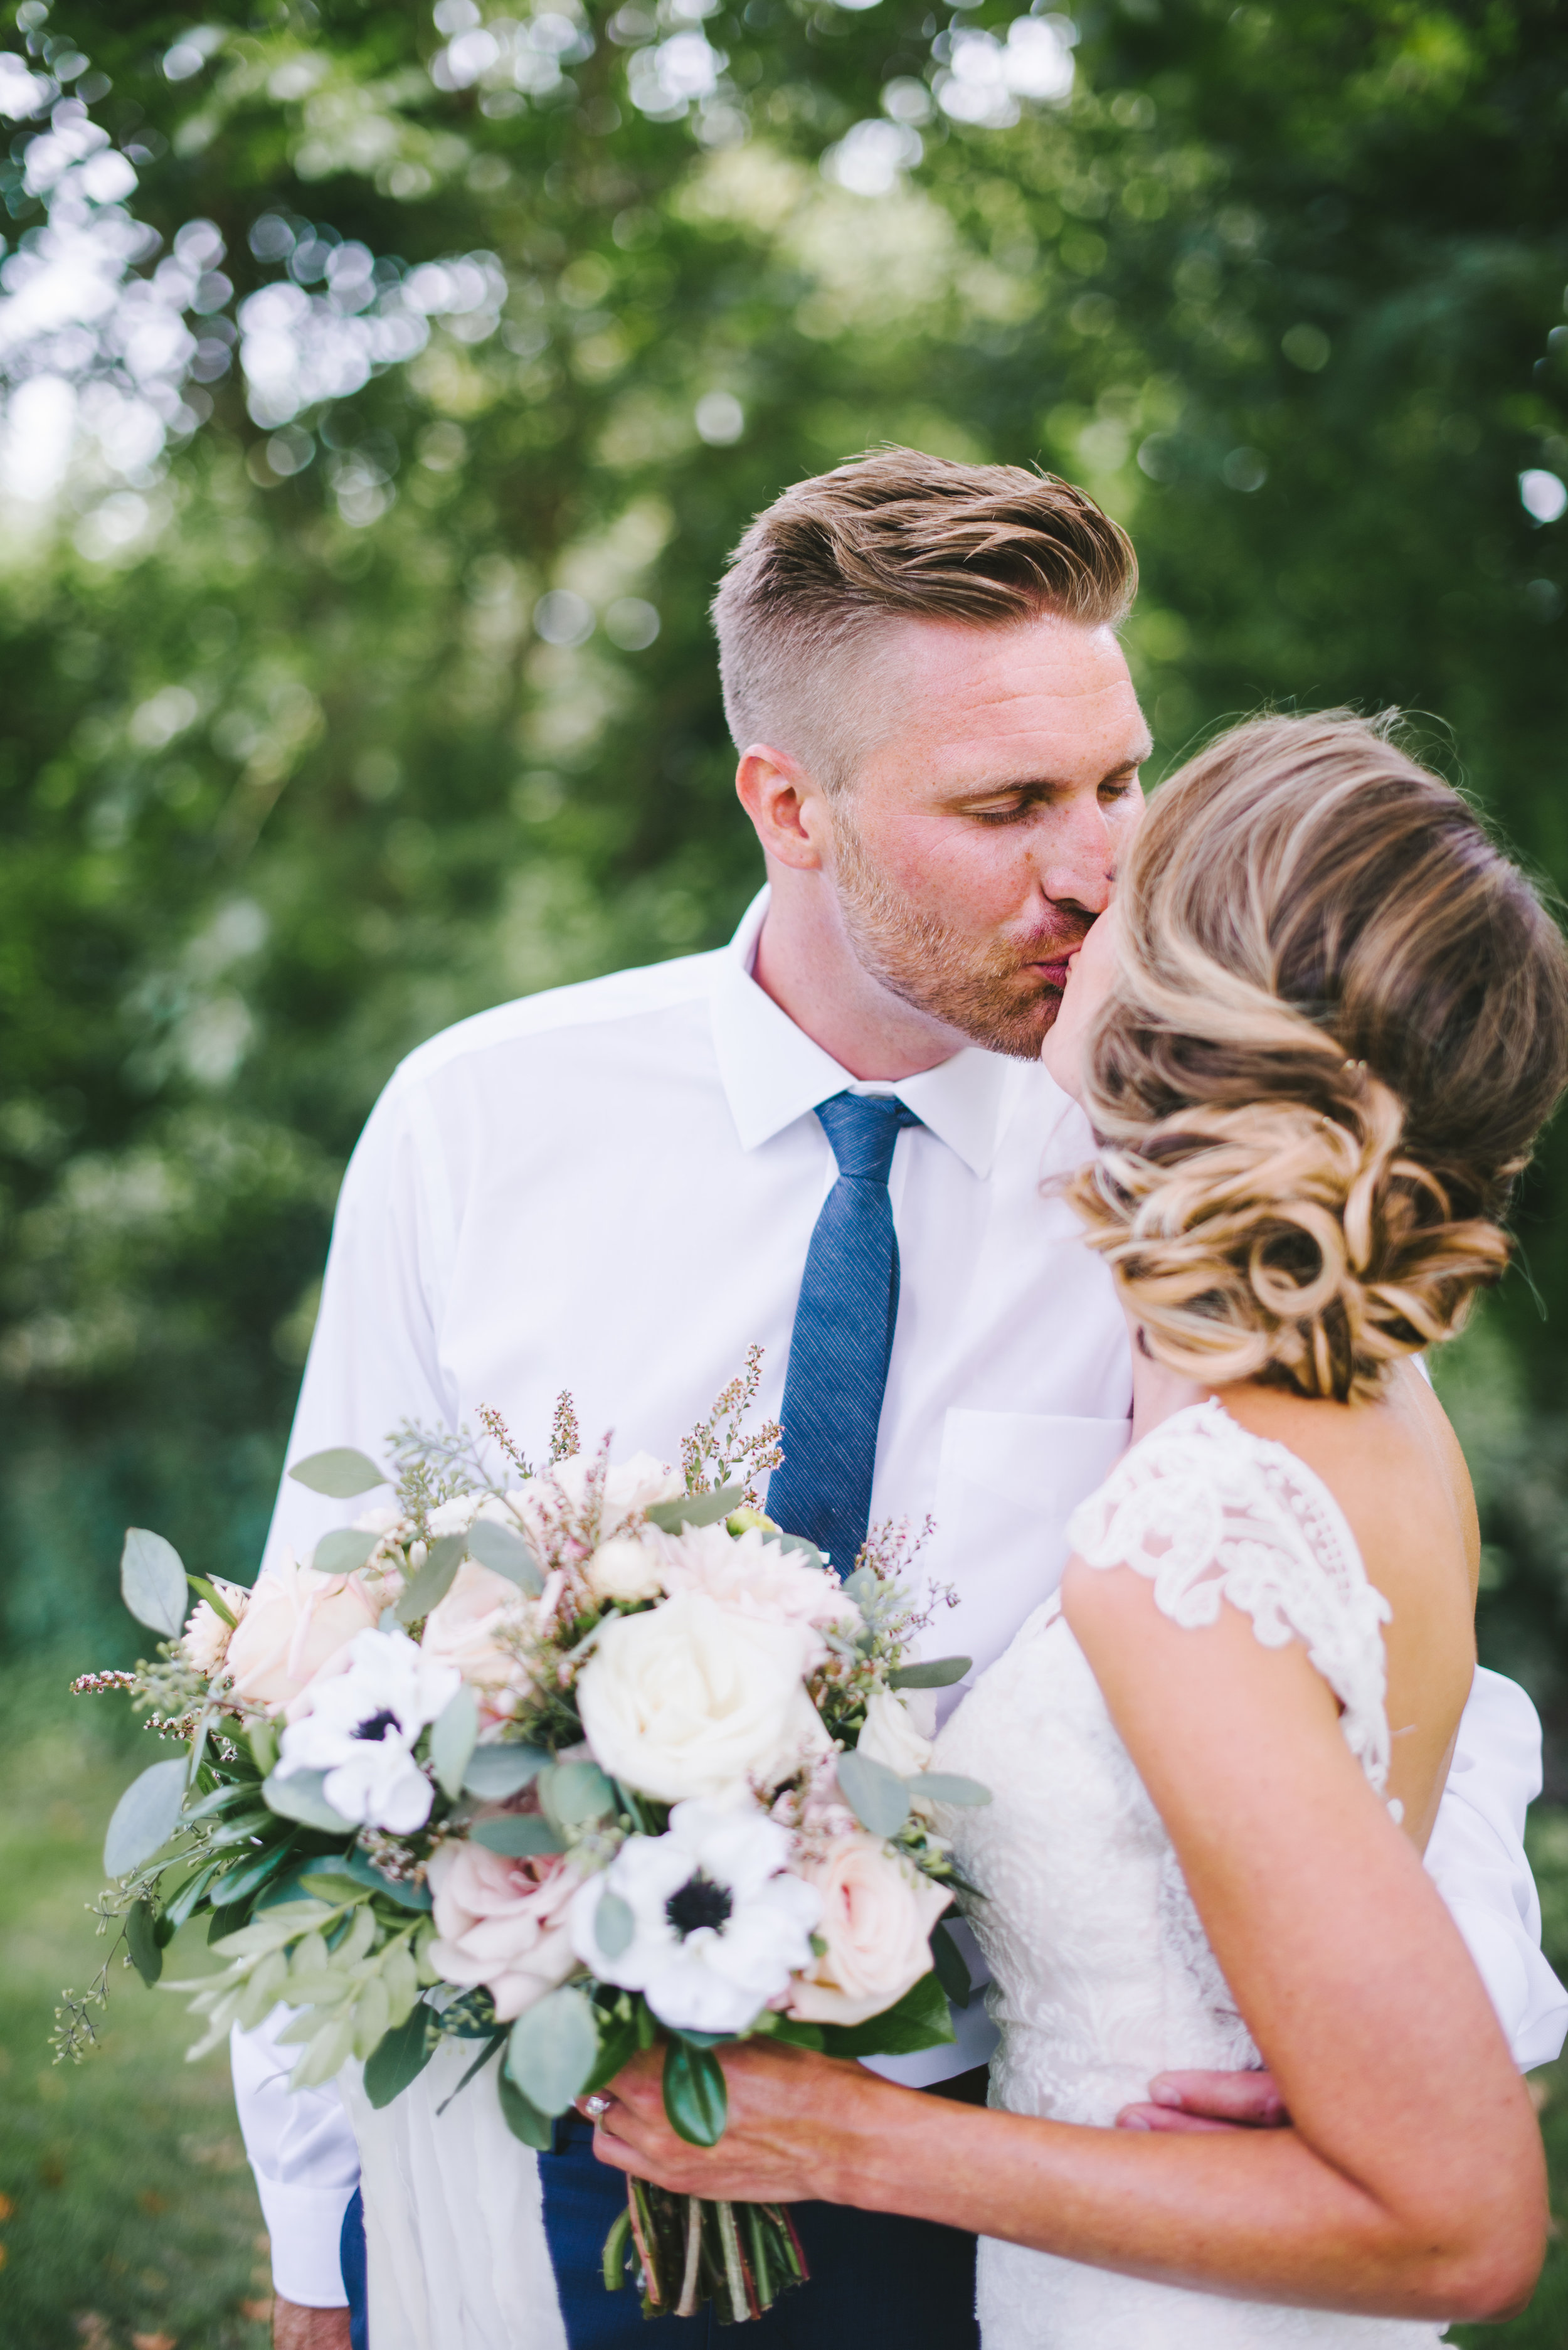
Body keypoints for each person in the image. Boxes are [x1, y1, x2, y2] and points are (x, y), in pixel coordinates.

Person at [231, 454, 1565, 2350]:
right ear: (789, 800)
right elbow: (320, 1654)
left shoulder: (1195, 1171)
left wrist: (1366, 2047)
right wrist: (314, 2237)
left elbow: (1376, 1658)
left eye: (1119, 779)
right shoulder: (478, 1125)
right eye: (1008, 803)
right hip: (547, 2127)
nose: (1095, 865)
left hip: (1019, 2171)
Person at [581, 711, 1568, 2344]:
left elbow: (1465, 2224)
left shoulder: (1185, 1533)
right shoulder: (1373, 1397)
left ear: (1190, 1007)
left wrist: (852, 2136)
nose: (1074, 882)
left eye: (1130, 880)